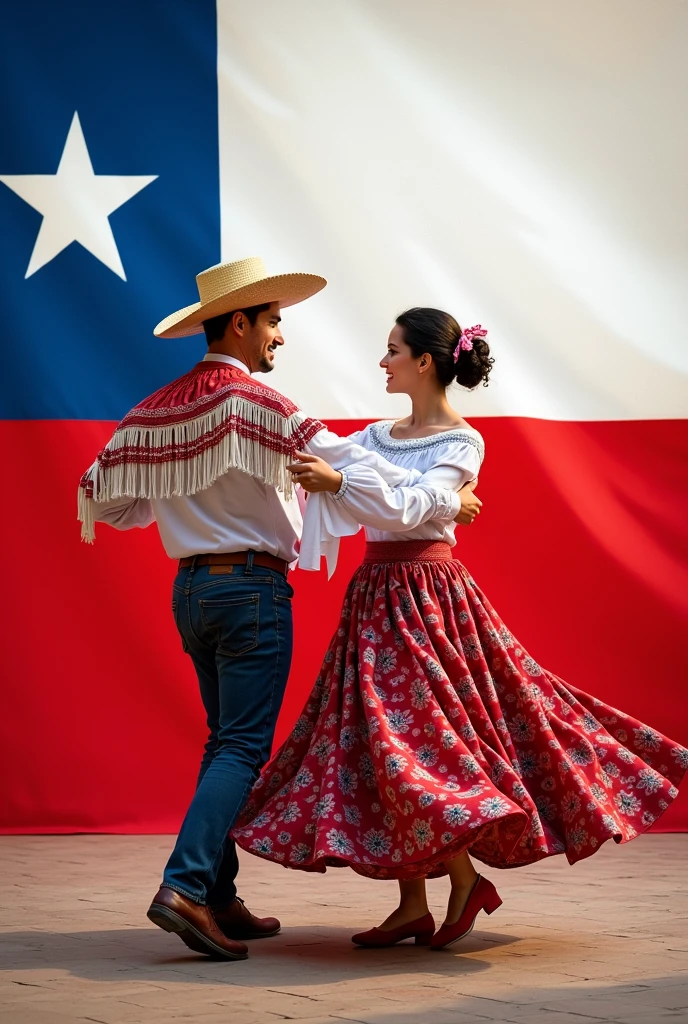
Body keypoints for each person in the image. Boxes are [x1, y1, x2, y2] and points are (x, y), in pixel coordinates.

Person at [232, 307, 688, 950]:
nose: (382, 360)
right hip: (375, 593)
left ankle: (463, 882)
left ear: (424, 361)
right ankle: (416, 901)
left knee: (424, 741)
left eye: (392, 350)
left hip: (429, 597)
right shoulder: (374, 435)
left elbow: (411, 505)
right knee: (382, 745)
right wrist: (279, 431)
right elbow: (349, 474)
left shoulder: (462, 442)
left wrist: (361, 485)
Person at [78, 259, 481, 962]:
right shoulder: (266, 406)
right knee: (240, 746)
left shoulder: (157, 408)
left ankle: (220, 897)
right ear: (241, 323)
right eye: (273, 321)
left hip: (191, 592)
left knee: (221, 741)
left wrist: (179, 492)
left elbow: (106, 499)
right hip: (251, 593)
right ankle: (185, 887)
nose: (279, 338)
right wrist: (448, 502)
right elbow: (355, 473)